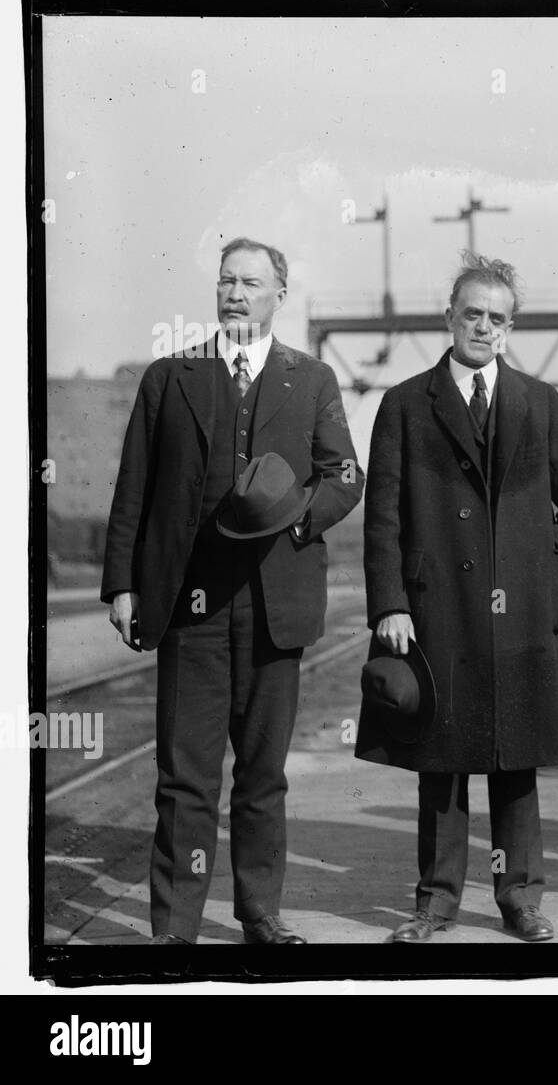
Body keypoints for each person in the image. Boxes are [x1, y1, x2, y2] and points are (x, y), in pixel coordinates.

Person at [102, 237, 364, 944]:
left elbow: (345, 475)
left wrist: (298, 520)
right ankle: (175, 928)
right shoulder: (171, 377)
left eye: (251, 282)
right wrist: (122, 584)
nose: (235, 293)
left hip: (278, 606)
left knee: (262, 773)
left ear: (281, 293)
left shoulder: (310, 380)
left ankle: (260, 915)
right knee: (185, 775)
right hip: (189, 606)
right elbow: (136, 486)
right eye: (226, 280)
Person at [356, 253, 558, 943]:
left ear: (511, 326)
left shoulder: (540, 402)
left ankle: (519, 898)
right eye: (472, 313)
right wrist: (390, 604)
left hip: (523, 611)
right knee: (441, 762)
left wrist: (556, 574)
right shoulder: (405, 403)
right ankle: (434, 904)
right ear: (449, 316)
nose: (484, 327)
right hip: (437, 615)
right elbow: (384, 516)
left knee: (515, 759)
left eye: (497, 317)